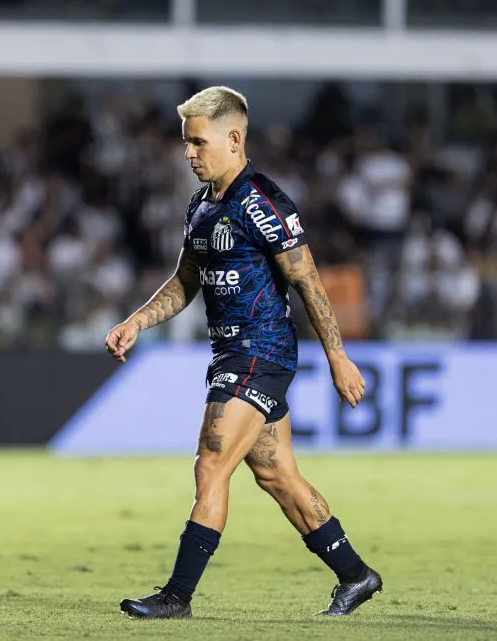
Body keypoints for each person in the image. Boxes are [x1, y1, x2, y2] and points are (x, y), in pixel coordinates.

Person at [105, 86, 383, 618]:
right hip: (232, 355)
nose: (188, 153)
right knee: (278, 476)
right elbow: (187, 281)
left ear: (234, 139)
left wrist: (338, 357)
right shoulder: (201, 206)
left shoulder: (263, 202)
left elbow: (308, 282)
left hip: (260, 354)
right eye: (186, 143)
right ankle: (355, 574)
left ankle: (176, 596)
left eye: (197, 142)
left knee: (211, 464)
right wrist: (137, 320)